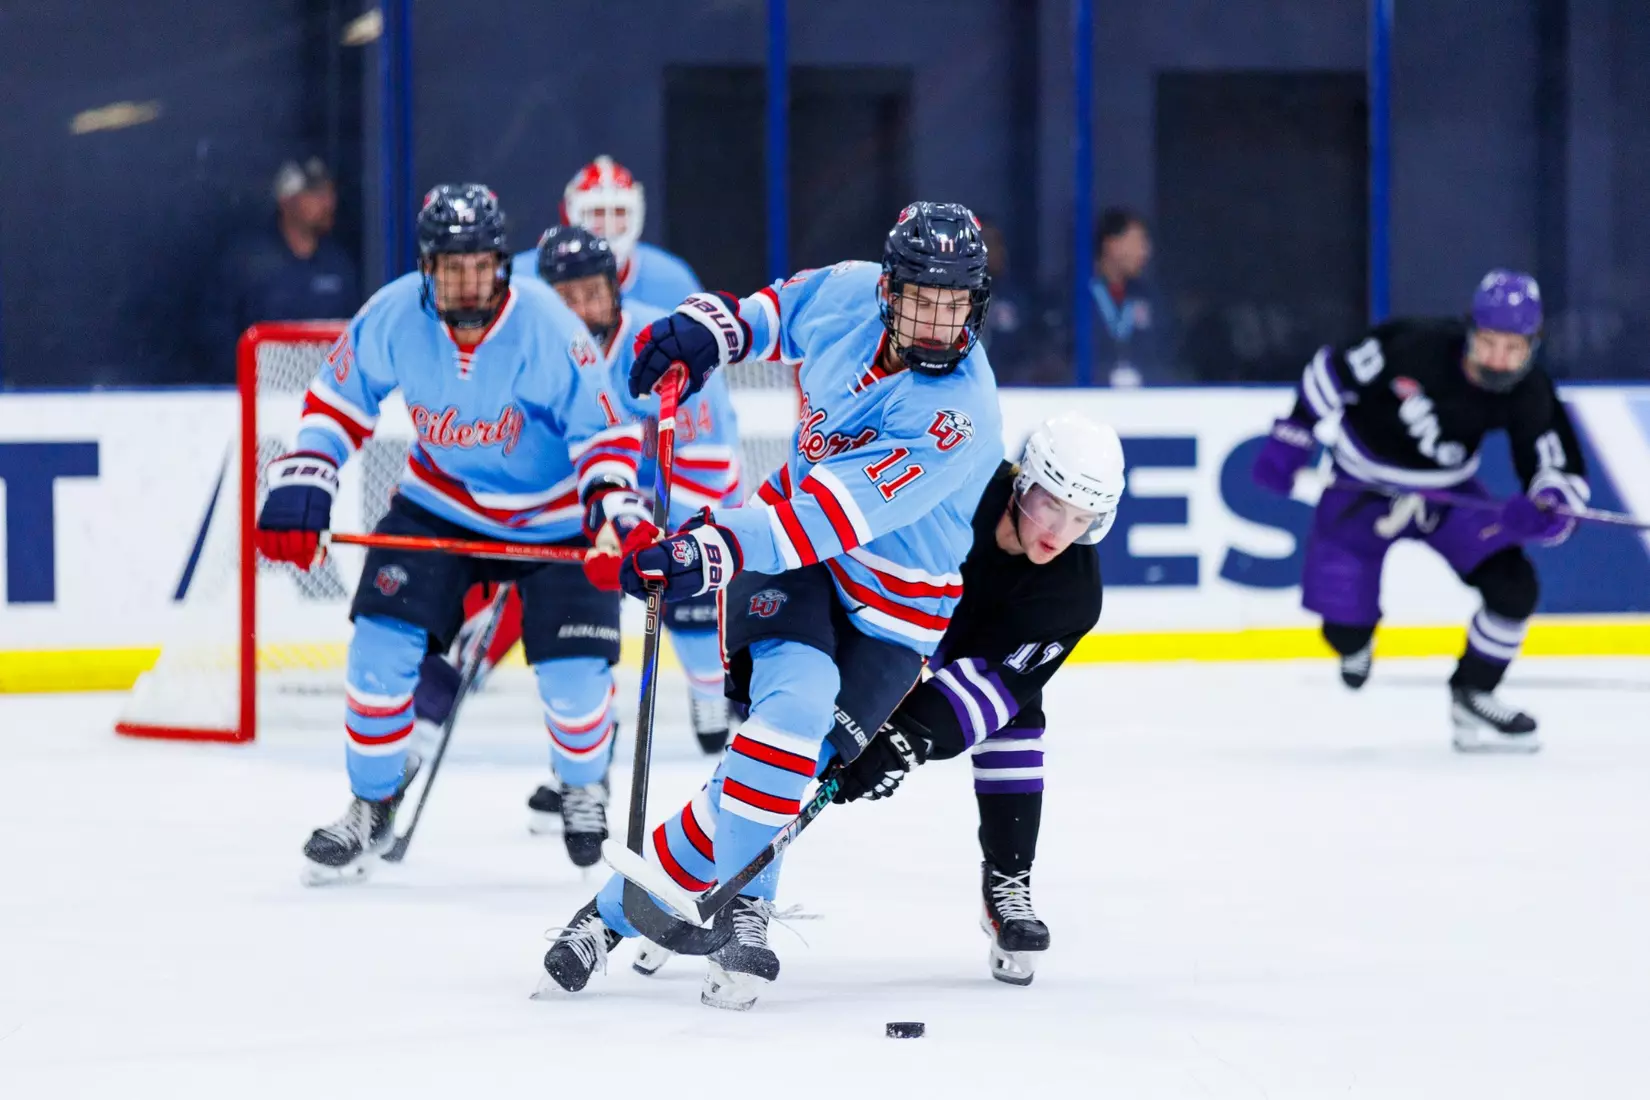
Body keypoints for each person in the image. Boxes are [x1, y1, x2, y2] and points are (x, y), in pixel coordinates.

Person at [539, 201, 1003, 1010]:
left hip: (892, 610)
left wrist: (703, 550)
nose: (937, 322)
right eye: (922, 299)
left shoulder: (958, 415)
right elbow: (775, 314)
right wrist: (709, 333)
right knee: (791, 715)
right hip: (799, 568)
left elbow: (820, 518)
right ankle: (743, 912)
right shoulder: (853, 292)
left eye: (954, 305)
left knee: (764, 779)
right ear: (890, 289)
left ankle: (606, 919)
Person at [632, 414, 1124, 987]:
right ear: (1020, 482)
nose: (1060, 532)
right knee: (790, 751)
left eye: (1084, 520)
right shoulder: (958, 491)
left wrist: (903, 740)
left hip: (954, 657)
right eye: (1051, 506)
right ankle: (687, 883)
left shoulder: (1074, 594)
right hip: (880, 629)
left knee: (1019, 718)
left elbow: (996, 687)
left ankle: (1008, 882)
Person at [254, 183, 648, 881]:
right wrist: (306, 474)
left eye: (480, 265)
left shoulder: (549, 327)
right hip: (442, 504)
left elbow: (605, 433)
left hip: (554, 519)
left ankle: (583, 787)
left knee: (574, 681)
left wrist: (613, 507)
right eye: (450, 266)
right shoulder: (394, 314)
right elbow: (338, 399)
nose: (466, 282)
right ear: (426, 267)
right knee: (378, 652)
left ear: (502, 264)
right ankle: (371, 804)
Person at [1250, 269, 1588, 752]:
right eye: (1490, 343)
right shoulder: (1412, 345)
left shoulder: (1529, 390)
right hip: (1360, 485)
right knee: (1343, 633)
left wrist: (1547, 509)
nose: (1500, 361)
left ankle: (1474, 693)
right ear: (1469, 330)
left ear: (1533, 345)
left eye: (1515, 349)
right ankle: (1356, 640)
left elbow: (1556, 466)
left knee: (1515, 588)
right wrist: (1295, 431)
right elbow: (1332, 371)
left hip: (1448, 496)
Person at [199, 157, 361, 375]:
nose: (328, 203)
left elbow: (356, 335)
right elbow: (217, 334)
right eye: (315, 194)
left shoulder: (338, 264)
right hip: (262, 398)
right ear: (287, 200)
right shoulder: (247, 263)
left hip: (323, 397)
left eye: (330, 193)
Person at [511, 155, 701, 313]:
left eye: (619, 212)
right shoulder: (522, 277)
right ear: (568, 213)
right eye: (597, 213)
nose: (608, 226)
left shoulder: (674, 279)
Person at [1088, 207, 1174, 387]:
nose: (1144, 253)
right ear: (1111, 244)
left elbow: (1165, 354)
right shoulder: (1073, 298)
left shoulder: (1149, 298)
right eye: (1137, 242)